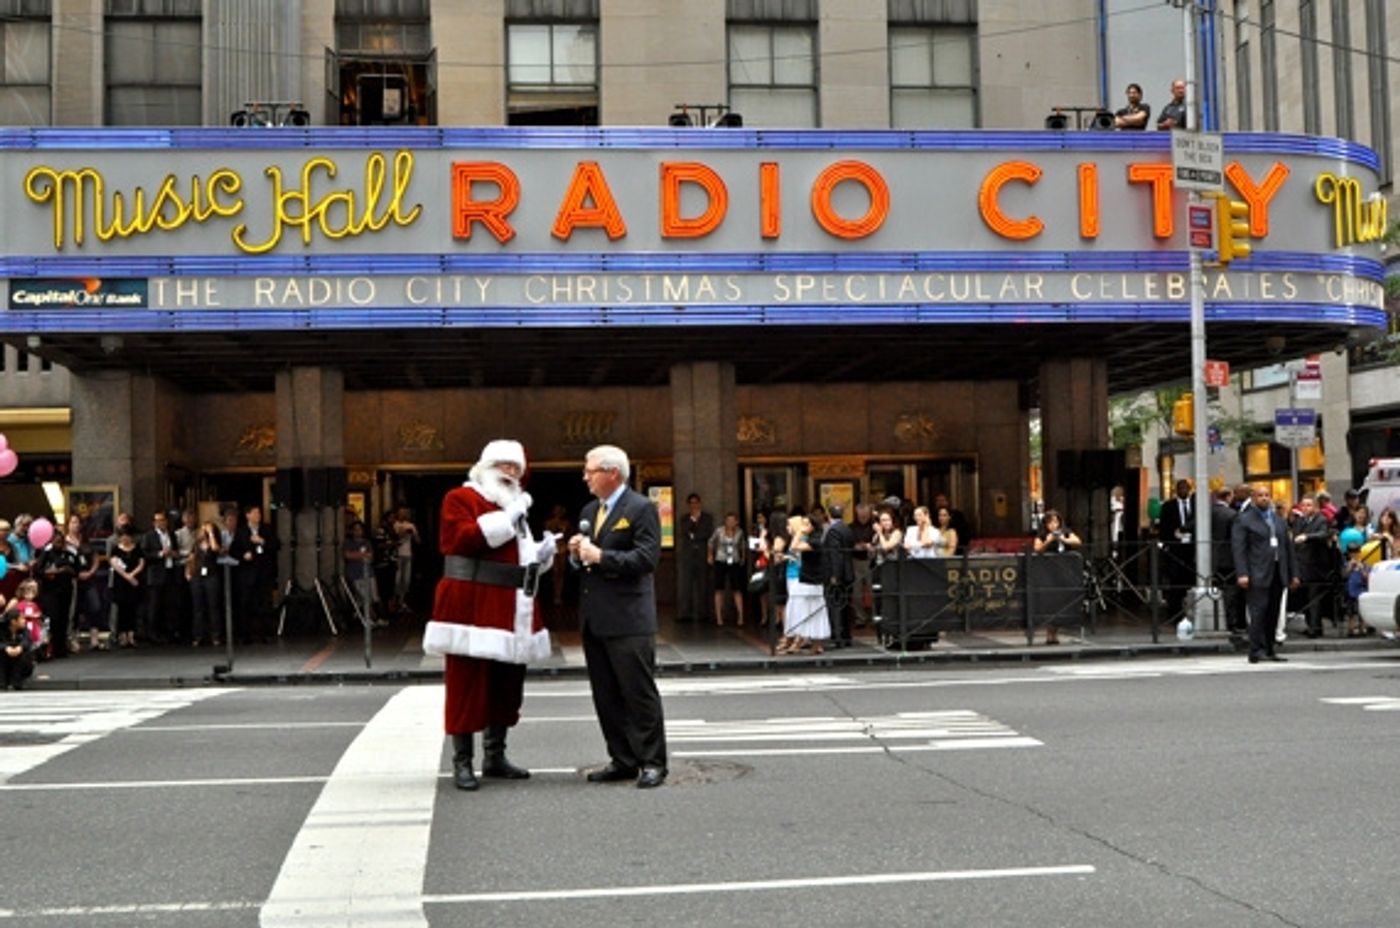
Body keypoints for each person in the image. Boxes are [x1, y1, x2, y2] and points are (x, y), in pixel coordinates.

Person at [423, 440, 556, 792]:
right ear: (485, 466)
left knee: (507, 685)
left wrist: (542, 555)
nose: (511, 473)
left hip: (511, 606)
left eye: (516, 467)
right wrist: (506, 519)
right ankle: (462, 761)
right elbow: (463, 541)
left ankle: (495, 756)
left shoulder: (517, 508)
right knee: (467, 685)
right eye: (504, 465)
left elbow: (518, 556)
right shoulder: (461, 498)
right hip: (471, 606)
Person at [569, 444, 668, 789]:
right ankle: (622, 758)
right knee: (605, 694)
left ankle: (653, 761)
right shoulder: (589, 510)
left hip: (629, 616)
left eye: (591, 470)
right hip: (595, 616)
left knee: (637, 692)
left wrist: (601, 556)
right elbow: (587, 563)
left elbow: (646, 559)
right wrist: (577, 555)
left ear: (613, 473)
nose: (585, 477)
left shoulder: (640, 508)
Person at [1232, 485, 1300, 664]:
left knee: (1273, 612)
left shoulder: (1279, 520)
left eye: (1267, 495)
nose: (1264, 498)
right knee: (1258, 611)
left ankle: (1270, 648)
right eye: (1260, 495)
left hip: (1278, 571)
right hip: (1257, 572)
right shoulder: (1244, 519)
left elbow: (1288, 548)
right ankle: (1256, 649)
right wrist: (1242, 573)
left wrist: (1294, 574)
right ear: (1253, 498)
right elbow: (1239, 549)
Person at [778, 514, 830, 655]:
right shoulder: (813, 539)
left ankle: (812, 642)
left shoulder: (815, 541)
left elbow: (794, 547)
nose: (803, 527)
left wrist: (799, 531)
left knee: (813, 609)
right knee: (807, 608)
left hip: (812, 579)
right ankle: (811, 642)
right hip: (808, 578)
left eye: (807, 524)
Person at [1033, 509, 1081, 645]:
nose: (1053, 525)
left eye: (1056, 521)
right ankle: (1049, 633)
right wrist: (1048, 541)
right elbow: (1037, 549)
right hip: (1047, 573)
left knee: (1061, 602)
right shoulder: (1042, 535)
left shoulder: (1065, 531)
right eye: (1050, 522)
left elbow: (1077, 541)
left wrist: (1063, 539)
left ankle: (1056, 632)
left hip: (1063, 571)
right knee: (1049, 602)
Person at [1290, 495, 1332, 639]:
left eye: (1309, 505)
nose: (1306, 508)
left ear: (1315, 507)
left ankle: (1315, 627)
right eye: (1304, 505)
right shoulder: (1300, 521)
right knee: (1305, 598)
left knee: (1314, 597)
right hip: (1301, 565)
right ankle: (1310, 625)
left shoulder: (1321, 519)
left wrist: (1307, 537)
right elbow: (1294, 539)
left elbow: (1323, 534)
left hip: (1315, 566)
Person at [1209, 487, 1245, 644]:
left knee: (1214, 589)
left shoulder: (1208, 512)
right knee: (1230, 592)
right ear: (1228, 497)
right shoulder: (1232, 514)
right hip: (1228, 558)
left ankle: (1217, 621)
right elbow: (1237, 538)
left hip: (1210, 557)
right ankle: (1231, 623)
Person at [1157, 479, 1194, 622]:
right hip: (1175, 548)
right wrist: (1168, 543)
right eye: (1181, 488)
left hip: (1192, 548)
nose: (1184, 491)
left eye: (1186, 488)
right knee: (1175, 580)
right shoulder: (1168, 506)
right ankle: (1174, 612)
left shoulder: (1196, 505)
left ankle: (1190, 609)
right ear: (1176, 490)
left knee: (1191, 578)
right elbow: (1163, 527)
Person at [186, 521, 224, 647]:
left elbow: (215, 549)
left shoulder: (214, 542)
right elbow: (190, 559)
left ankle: (215, 635)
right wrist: (188, 572)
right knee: (198, 607)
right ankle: (198, 635)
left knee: (213, 606)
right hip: (197, 576)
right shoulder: (196, 544)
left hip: (211, 576)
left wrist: (211, 533)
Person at [677, 492, 713, 623]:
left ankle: (704, 613)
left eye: (696, 503)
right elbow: (685, 532)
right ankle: (685, 613)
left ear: (700, 503)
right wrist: (693, 521)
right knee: (686, 585)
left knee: (703, 584)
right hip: (688, 555)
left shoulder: (707, 518)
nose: (694, 506)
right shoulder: (685, 519)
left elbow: (706, 533)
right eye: (691, 503)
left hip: (703, 555)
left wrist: (694, 534)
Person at [823, 503, 855, 648]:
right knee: (845, 604)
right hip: (848, 571)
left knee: (835, 605)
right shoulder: (847, 528)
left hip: (837, 573)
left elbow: (835, 554)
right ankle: (846, 635)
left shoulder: (833, 531)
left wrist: (835, 575)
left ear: (829, 515)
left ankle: (837, 636)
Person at [109, 526, 145, 649]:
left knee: (133, 609)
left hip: (134, 581)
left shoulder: (137, 548)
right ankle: (122, 636)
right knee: (122, 609)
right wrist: (127, 577)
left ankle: (131, 635)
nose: (125, 538)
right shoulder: (116, 549)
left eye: (127, 536)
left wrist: (133, 574)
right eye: (122, 536)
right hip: (121, 582)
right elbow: (114, 563)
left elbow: (141, 563)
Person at [708, 512, 746, 627]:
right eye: (728, 520)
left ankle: (740, 617)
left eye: (732, 520)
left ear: (736, 522)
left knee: (737, 589)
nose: (730, 523)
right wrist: (710, 555)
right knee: (719, 589)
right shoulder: (719, 531)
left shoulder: (739, 532)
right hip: (721, 560)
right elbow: (711, 542)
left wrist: (743, 557)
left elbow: (742, 545)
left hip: (734, 561)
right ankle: (719, 617)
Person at [343, 520, 377, 626]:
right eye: (355, 530)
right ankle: (367, 617)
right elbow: (348, 555)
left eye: (359, 529)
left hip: (368, 573)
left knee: (371, 597)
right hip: (356, 574)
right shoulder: (348, 542)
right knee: (364, 596)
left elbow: (370, 556)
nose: (357, 532)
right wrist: (362, 554)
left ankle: (361, 615)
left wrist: (357, 555)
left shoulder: (366, 542)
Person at [849, 504, 875, 628]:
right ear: (857, 513)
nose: (863, 516)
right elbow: (849, 544)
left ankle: (875, 616)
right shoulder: (851, 527)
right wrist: (856, 546)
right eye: (861, 514)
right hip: (856, 561)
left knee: (873, 590)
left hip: (872, 562)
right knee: (856, 592)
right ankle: (860, 617)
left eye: (866, 514)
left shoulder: (875, 527)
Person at [392, 507, 420, 616]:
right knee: (397, 579)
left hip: (408, 554)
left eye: (405, 513)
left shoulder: (411, 525)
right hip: (398, 554)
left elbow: (418, 541)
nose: (403, 515)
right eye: (401, 513)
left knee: (406, 579)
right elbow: (396, 537)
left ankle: (402, 601)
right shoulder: (395, 525)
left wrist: (413, 533)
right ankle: (395, 601)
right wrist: (403, 532)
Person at [1, 607, 35, 690]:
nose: (24, 620)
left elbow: (27, 640)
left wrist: (20, 647)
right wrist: (6, 647)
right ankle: (2, 681)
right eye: (21, 618)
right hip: (5, 660)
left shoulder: (24, 629)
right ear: (13, 621)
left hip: (17, 660)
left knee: (25, 654)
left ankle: (16, 681)